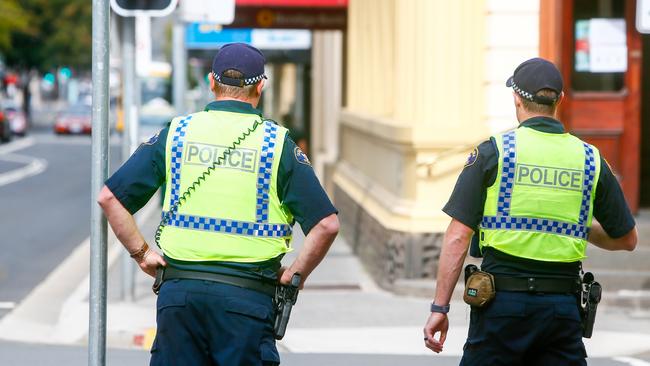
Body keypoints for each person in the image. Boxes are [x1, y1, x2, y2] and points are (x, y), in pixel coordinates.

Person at [98, 42, 339, 366]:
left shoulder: (177, 133)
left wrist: (142, 254)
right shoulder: (277, 144)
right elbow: (326, 225)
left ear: (211, 83)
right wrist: (295, 274)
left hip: (179, 296)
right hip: (247, 301)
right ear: (261, 86)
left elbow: (110, 198)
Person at [422, 57, 637, 365]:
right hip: (562, 310)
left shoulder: (494, 152)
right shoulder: (590, 159)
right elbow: (627, 239)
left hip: (500, 308)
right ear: (560, 100)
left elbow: (458, 236)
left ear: (516, 98)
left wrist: (439, 309)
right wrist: (574, 227)